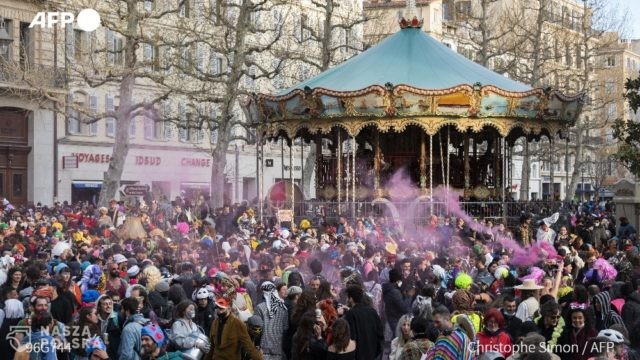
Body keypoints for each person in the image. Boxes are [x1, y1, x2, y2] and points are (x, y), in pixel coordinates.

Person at [343, 285, 384, 360]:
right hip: (373, 355)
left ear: (351, 298)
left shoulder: (350, 314)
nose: (346, 300)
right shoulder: (372, 311)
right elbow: (380, 334)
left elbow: (351, 338)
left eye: (347, 297)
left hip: (358, 356)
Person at [254, 281, 288, 360]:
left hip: (263, 349)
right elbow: (286, 327)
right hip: (278, 348)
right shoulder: (283, 307)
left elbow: (256, 329)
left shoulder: (259, 308)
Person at [383, 268, 411, 333]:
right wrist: (409, 296)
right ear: (397, 281)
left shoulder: (388, 289)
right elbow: (404, 308)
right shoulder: (394, 292)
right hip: (396, 319)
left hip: (391, 318)